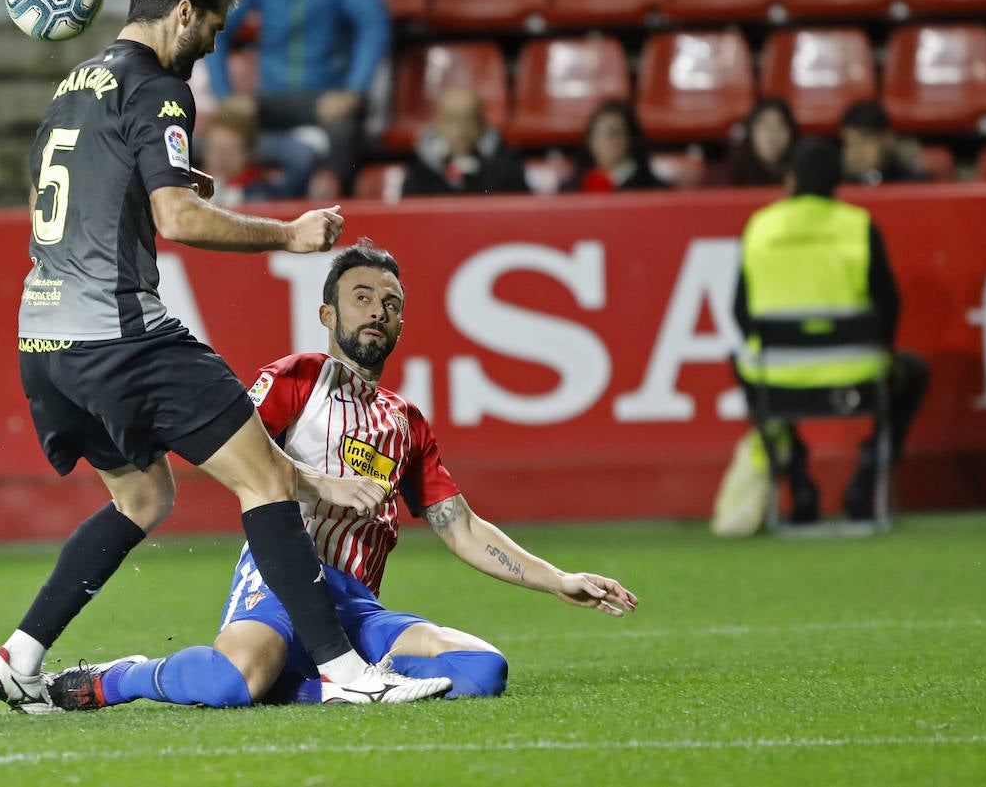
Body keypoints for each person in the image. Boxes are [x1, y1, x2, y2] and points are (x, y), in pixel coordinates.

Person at [0, 0, 451, 714]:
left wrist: (166, 175)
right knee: (263, 479)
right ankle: (349, 670)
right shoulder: (161, 88)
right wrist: (288, 235)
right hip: (118, 333)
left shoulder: (75, 83)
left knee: (144, 499)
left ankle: (19, 654)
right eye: (214, 29)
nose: (212, 46)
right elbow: (181, 219)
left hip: (44, 341)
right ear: (184, 12)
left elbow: (85, 180)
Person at [39, 241, 639, 711]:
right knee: (233, 682)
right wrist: (315, 481)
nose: (378, 310)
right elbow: (223, 453)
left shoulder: (407, 423)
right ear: (328, 313)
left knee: (483, 670)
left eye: (391, 303)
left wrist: (557, 579)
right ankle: (117, 679)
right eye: (361, 296)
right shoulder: (298, 379)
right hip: (279, 585)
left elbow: (461, 528)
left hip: (358, 608)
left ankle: (318, 685)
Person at [733, 137, 929, 523]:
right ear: (838, 181)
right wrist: (880, 354)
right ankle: (868, 476)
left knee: (743, 367)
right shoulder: (857, 226)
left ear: (790, 179)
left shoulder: (761, 226)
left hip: (778, 380)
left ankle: (799, 480)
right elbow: (888, 302)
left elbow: (740, 312)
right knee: (915, 372)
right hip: (857, 377)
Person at [205, 0, 390, 194]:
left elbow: (374, 23)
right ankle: (249, 201)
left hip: (324, 97)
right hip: (271, 96)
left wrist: (354, 90)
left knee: (343, 133)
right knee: (216, 134)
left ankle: (337, 211)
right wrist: (227, 95)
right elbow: (215, 26)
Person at [403, 86, 528, 196]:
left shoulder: (507, 165)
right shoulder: (420, 170)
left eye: (469, 119)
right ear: (438, 123)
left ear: (482, 123)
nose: (461, 128)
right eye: (451, 119)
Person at [196, 107, 299, 205]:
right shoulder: (190, 185)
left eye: (231, 151)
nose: (222, 158)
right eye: (215, 150)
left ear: (248, 153)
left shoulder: (264, 190)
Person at [563, 99, 668, 192]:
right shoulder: (571, 188)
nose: (606, 140)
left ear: (630, 138)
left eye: (613, 133)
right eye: (598, 132)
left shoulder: (653, 189)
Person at [839, 100, 930, 185]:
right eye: (848, 144)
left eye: (864, 141)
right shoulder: (835, 186)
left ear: (886, 139)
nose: (856, 152)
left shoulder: (914, 183)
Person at [724, 97, 797, 187]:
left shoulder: (803, 173)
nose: (772, 136)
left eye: (780, 126)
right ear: (751, 133)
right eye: (764, 127)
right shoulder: (729, 175)